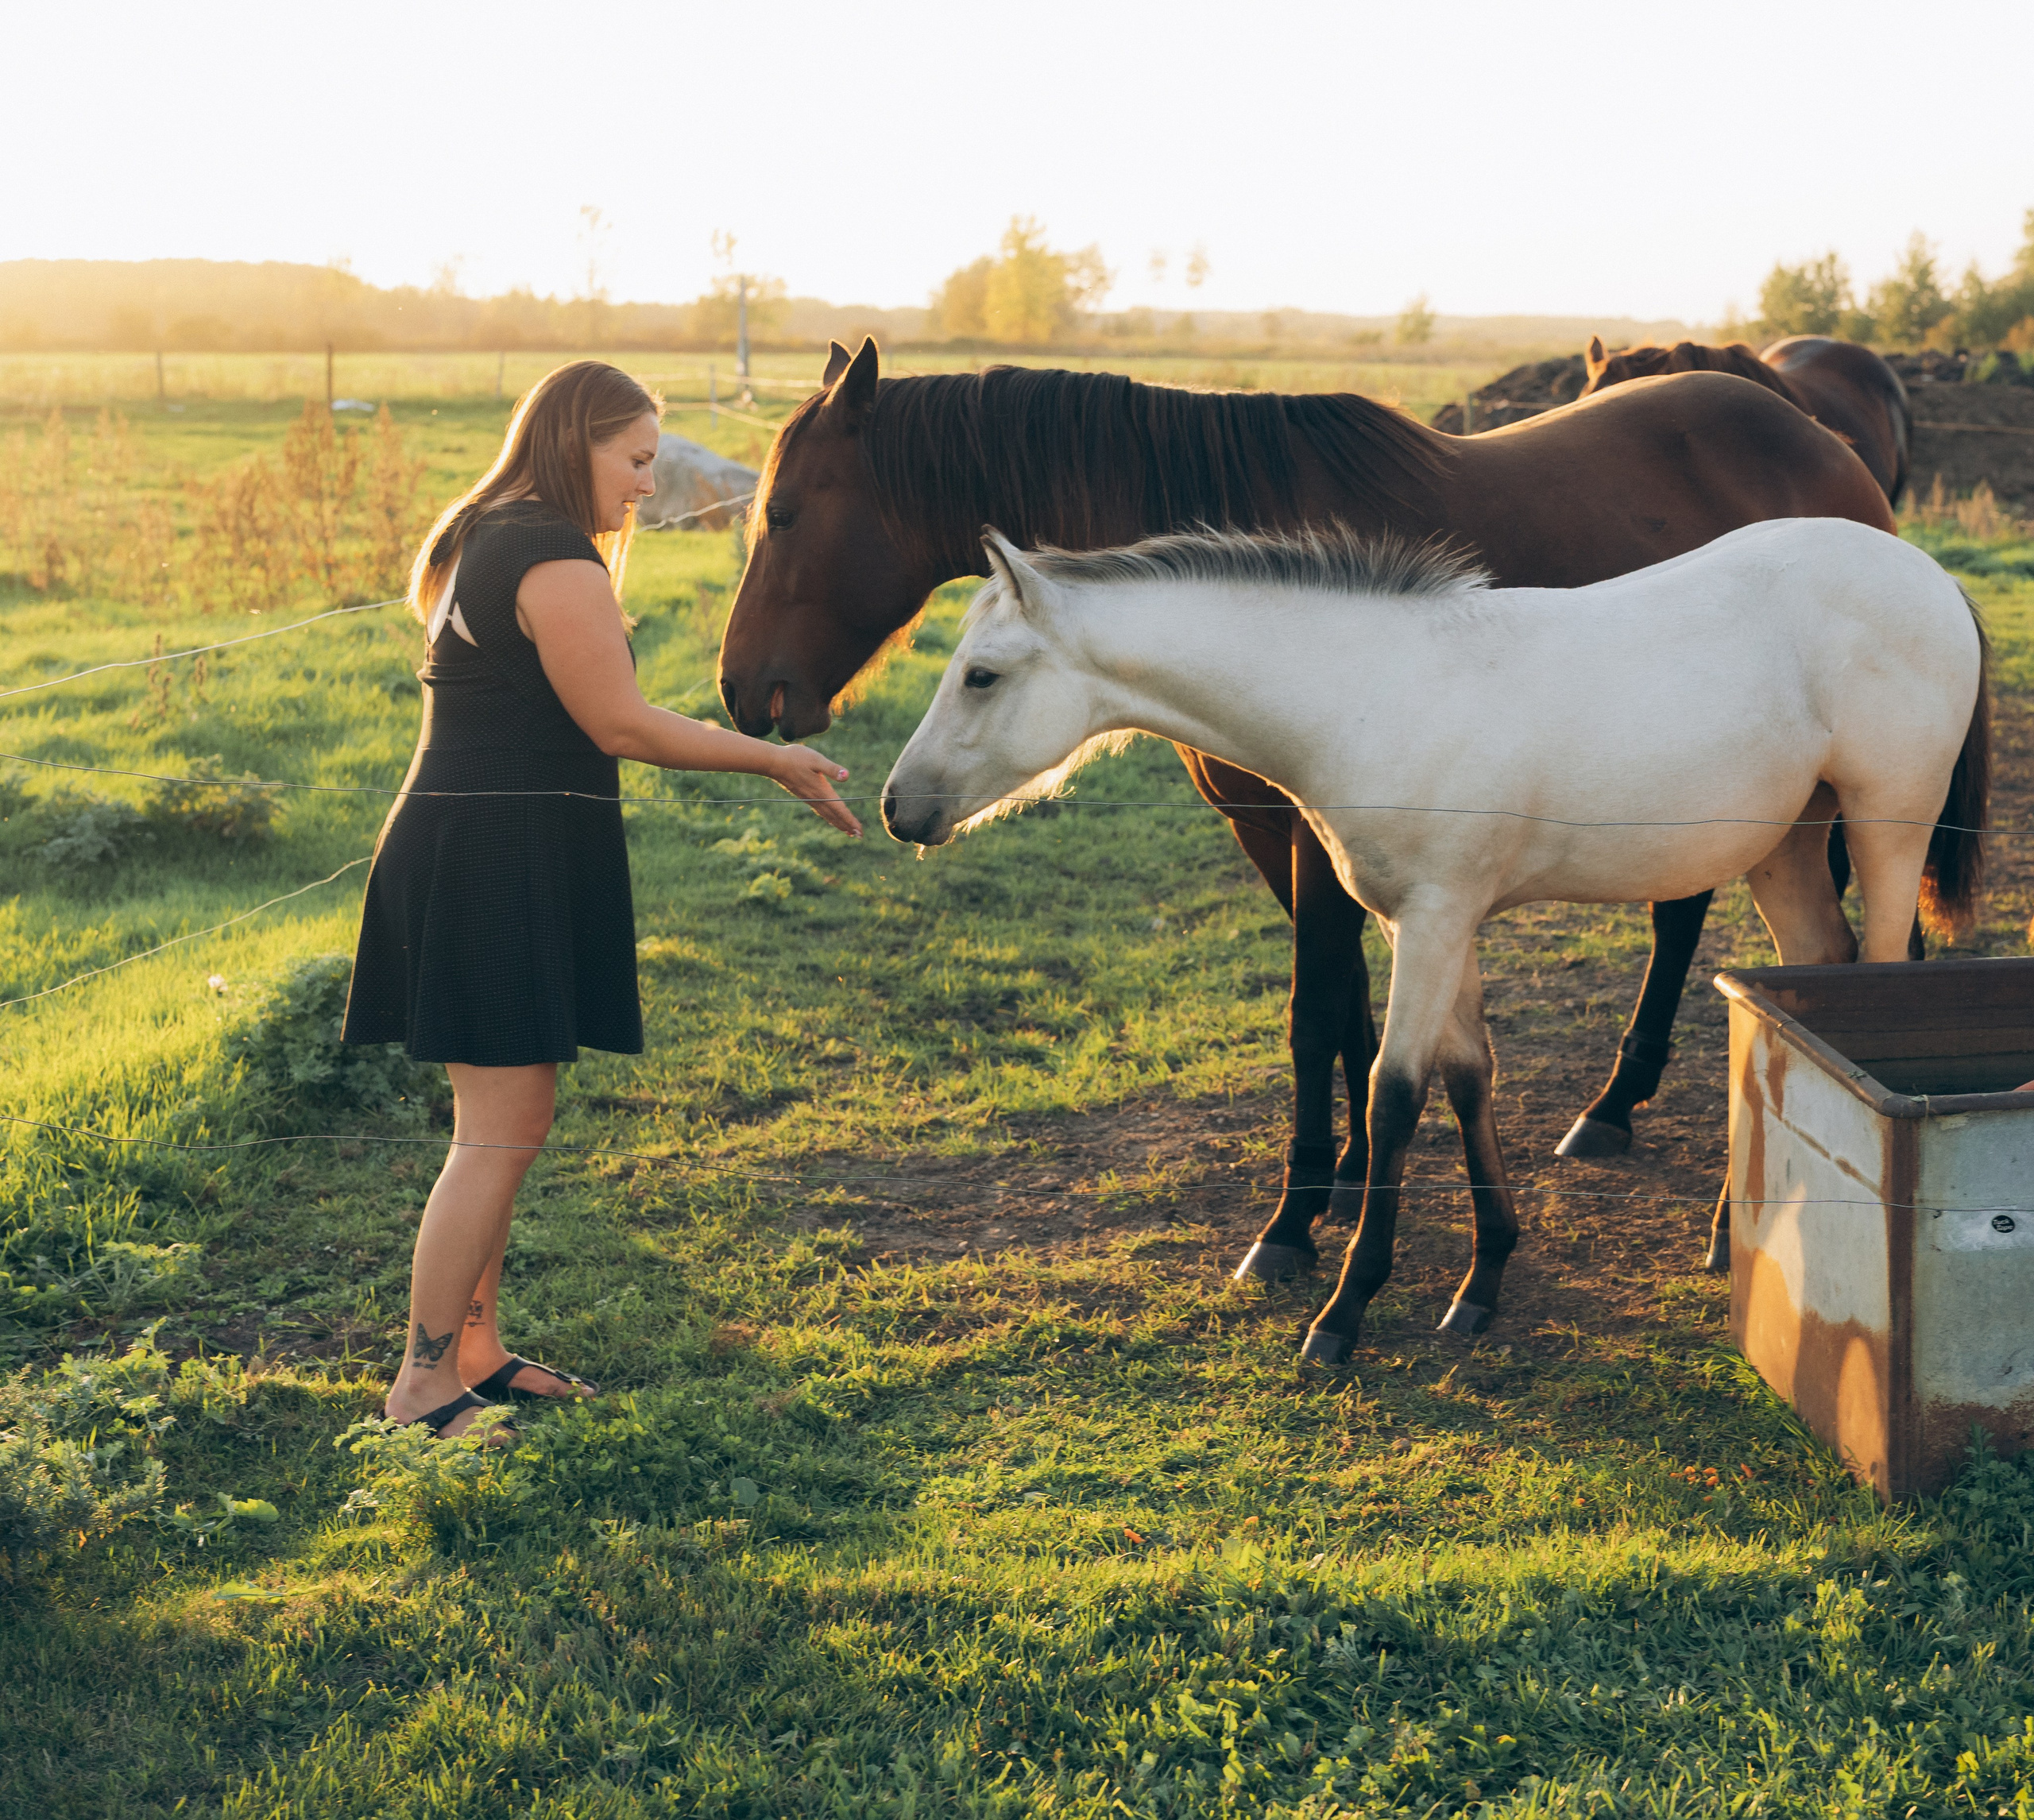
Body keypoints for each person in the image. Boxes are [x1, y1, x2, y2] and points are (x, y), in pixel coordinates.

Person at [342, 361, 859, 1440]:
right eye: (632, 460)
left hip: (486, 839)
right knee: (494, 1131)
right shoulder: (549, 554)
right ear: (575, 440)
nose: (643, 483)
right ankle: (422, 1386)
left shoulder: (487, 532)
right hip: (492, 853)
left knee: (504, 1123)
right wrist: (774, 764)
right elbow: (620, 724)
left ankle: (473, 1351)